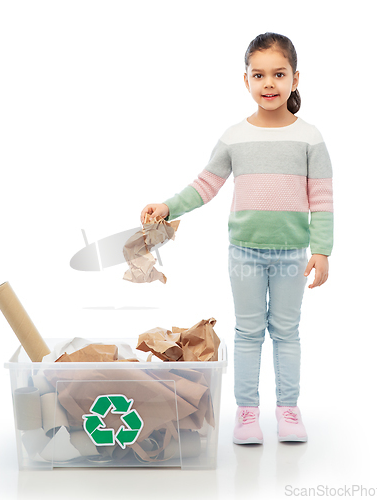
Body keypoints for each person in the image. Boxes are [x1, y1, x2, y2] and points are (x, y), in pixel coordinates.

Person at [140, 32, 333, 444]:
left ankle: (288, 410)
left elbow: (322, 197)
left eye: (278, 74)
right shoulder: (234, 137)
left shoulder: (310, 138)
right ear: (245, 80)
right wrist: (169, 207)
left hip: (292, 255)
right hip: (244, 253)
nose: (268, 84)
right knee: (248, 332)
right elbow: (205, 185)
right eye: (258, 75)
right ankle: (247, 414)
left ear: (295, 79)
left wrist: (322, 250)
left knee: (286, 331)